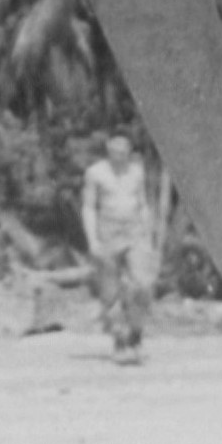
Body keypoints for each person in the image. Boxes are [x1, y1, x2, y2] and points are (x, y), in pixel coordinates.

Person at [80, 130, 155, 363]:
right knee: (110, 291)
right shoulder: (95, 173)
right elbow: (89, 207)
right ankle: (119, 341)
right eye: (115, 151)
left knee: (142, 285)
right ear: (108, 150)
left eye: (123, 152)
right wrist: (92, 240)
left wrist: (148, 235)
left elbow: (142, 204)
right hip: (108, 233)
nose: (119, 156)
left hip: (134, 232)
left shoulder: (136, 173)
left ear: (129, 151)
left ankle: (136, 335)